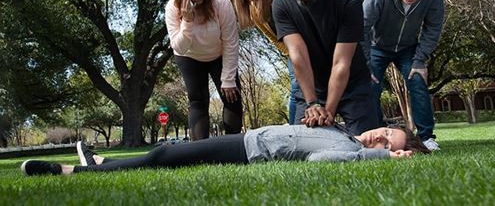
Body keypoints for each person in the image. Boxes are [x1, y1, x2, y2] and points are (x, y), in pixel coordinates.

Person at [20, 124, 431, 176]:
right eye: (386, 134)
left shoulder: (350, 150)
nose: (378, 139)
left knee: (164, 157)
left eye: (385, 144)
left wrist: (376, 157)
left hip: (248, 149)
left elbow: (317, 160)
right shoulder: (343, 128)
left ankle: (70, 171)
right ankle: (104, 161)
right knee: (166, 153)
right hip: (249, 140)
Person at [271, 0, 378, 134]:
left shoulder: (347, 1)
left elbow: (341, 64)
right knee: (302, 145)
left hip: (352, 84)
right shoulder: (281, 6)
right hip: (311, 88)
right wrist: (312, 103)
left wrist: (328, 111)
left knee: (367, 142)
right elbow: (298, 56)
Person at [361, 0, 444, 151]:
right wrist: (365, 64)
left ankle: (426, 137)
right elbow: (362, 28)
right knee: (371, 85)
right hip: (377, 46)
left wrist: (420, 59)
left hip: (408, 47)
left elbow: (434, 26)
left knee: (417, 80)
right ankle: (375, 135)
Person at [165, 0, 243, 140]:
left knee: (232, 97)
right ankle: (201, 152)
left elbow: (231, 41)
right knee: (198, 101)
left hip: (219, 54)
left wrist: (228, 79)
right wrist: (187, 20)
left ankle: (232, 147)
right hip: (189, 56)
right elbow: (179, 46)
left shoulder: (220, 2)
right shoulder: (172, 7)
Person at [230, 0, 299, 124]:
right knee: (297, 89)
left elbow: (305, 17)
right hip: (293, 54)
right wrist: (291, 54)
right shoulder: (253, 11)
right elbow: (272, 37)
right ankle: (293, 131)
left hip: (311, 45)